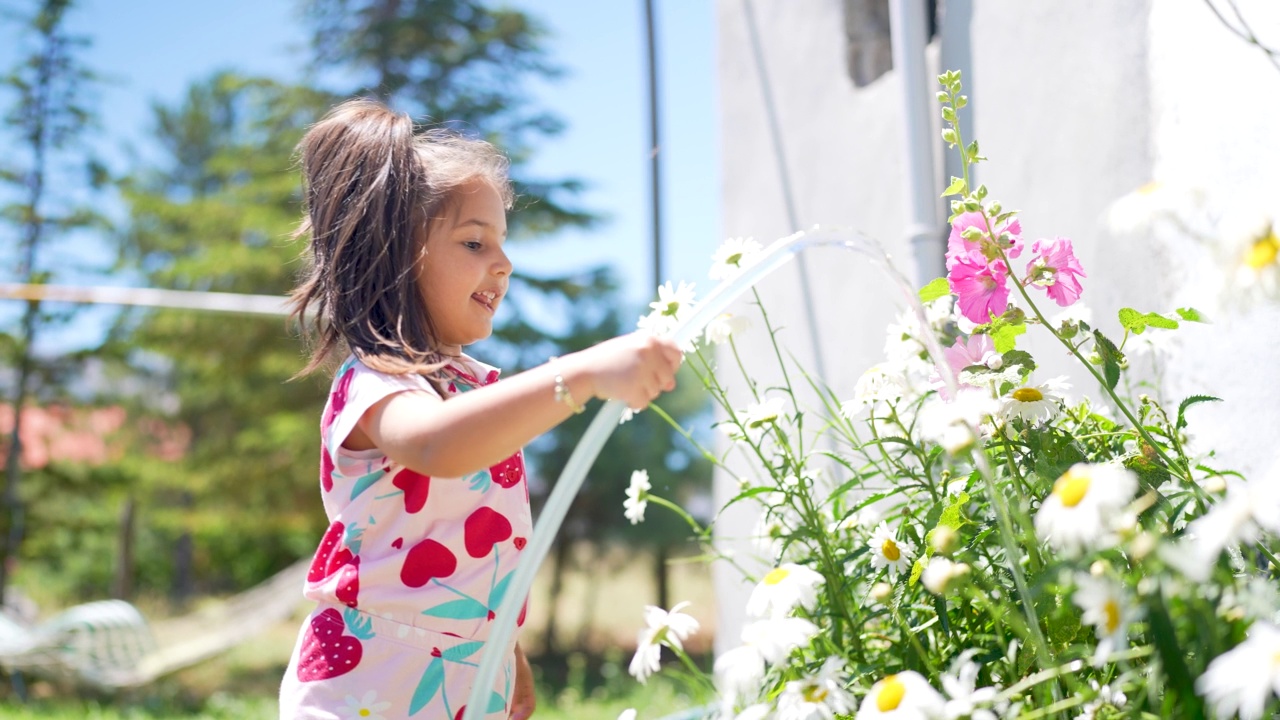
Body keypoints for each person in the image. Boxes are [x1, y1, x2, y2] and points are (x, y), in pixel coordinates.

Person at [278, 99, 683, 719]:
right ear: (392, 255)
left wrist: (503, 648)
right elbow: (438, 447)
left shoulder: (468, 388)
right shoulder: (376, 384)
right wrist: (580, 371)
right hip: (368, 686)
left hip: (464, 680)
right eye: (474, 242)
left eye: (502, 243)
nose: (504, 263)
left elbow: (470, 548)